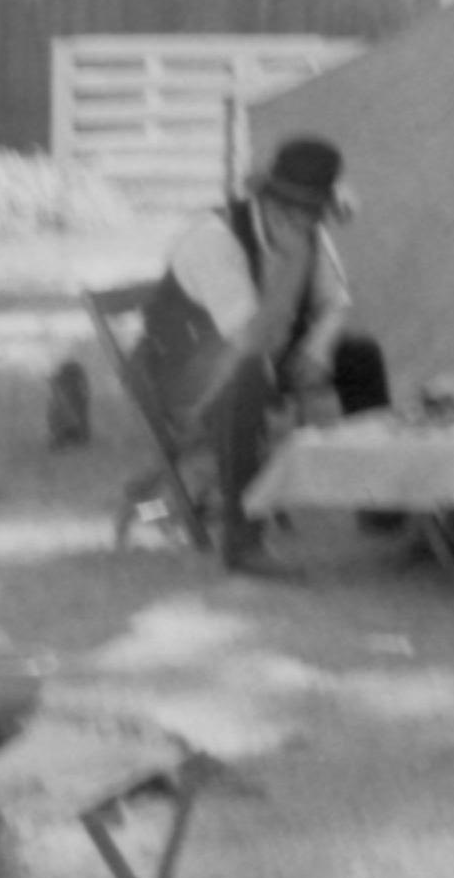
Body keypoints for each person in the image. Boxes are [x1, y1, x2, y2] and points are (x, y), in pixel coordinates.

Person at [132, 134, 390, 567]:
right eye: (294, 213)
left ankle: (384, 506)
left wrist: (319, 349)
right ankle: (242, 538)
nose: (305, 226)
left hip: (259, 354)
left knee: (360, 355)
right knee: (244, 375)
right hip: (185, 370)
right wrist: (291, 268)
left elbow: (335, 300)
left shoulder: (308, 231)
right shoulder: (214, 241)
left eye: (313, 216)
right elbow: (250, 339)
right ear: (269, 201)